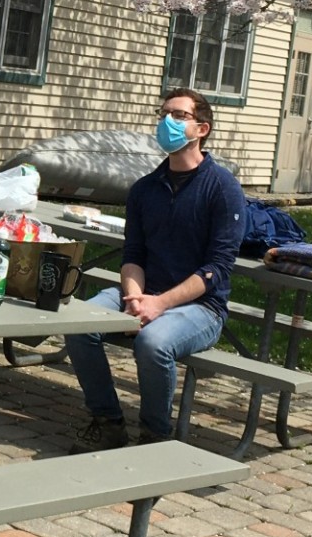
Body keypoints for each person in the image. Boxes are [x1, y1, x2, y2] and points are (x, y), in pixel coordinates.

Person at [63, 87, 244, 450]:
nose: (167, 122)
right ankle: (108, 421)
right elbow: (134, 253)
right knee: (78, 322)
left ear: (201, 129)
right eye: (163, 114)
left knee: (152, 342)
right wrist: (133, 297)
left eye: (179, 116)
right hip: (144, 290)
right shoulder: (145, 189)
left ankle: (155, 437)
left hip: (201, 307)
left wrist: (159, 306)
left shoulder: (222, 187)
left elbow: (218, 267)